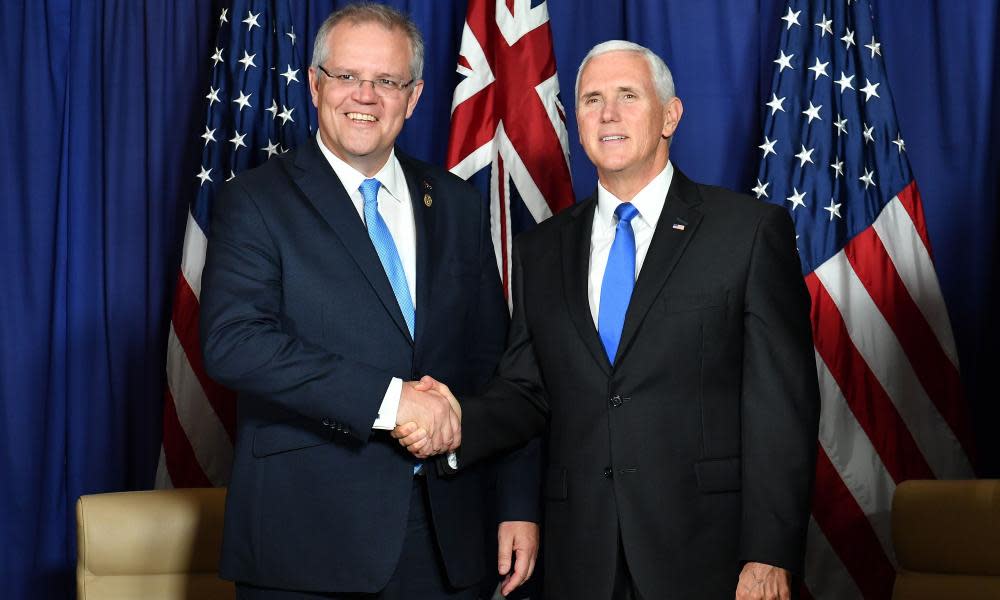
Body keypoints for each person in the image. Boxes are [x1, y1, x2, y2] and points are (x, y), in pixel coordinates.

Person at [396, 40, 820, 600]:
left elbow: (781, 406)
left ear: (670, 115)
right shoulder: (542, 250)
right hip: (580, 555)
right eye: (592, 100)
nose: (609, 115)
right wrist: (454, 423)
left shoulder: (747, 232)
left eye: (627, 96)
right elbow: (526, 393)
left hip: (708, 554)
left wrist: (769, 552)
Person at [200, 4, 539, 599]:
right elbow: (236, 344)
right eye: (347, 76)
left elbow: (500, 370)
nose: (366, 95)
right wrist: (393, 402)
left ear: (413, 97)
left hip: (450, 538)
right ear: (314, 84)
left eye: (387, 81)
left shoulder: (457, 202)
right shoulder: (255, 202)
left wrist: (517, 503)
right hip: (307, 542)